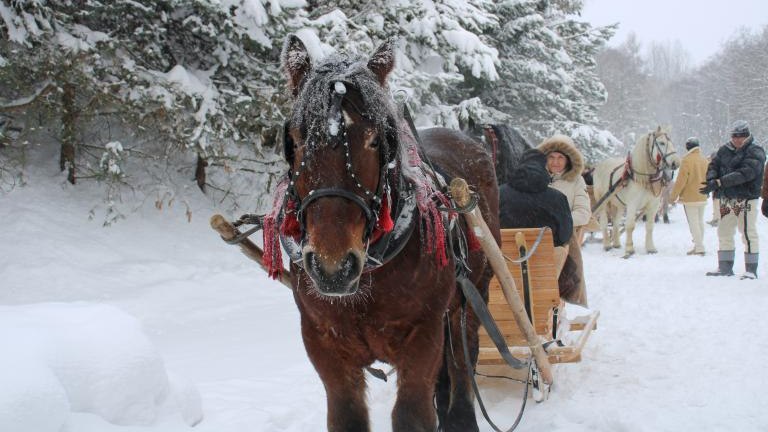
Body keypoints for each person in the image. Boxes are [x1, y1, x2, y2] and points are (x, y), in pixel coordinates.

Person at [498, 148, 580, 301]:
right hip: (546, 270)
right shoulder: (557, 198)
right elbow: (565, 235)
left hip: (504, 270)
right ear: (544, 168)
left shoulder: (499, 194)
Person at [700, 120, 766, 279]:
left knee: (747, 232)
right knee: (724, 231)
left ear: (747, 135)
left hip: (746, 199)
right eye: (735, 136)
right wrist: (711, 179)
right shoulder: (724, 150)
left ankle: (751, 269)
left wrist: (720, 182)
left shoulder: (755, 151)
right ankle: (725, 266)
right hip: (727, 199)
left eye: (741, 136)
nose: (737, 139)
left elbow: (746, 173)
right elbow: (713, 166)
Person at [538, 135, 591, 306]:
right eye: (551, 157)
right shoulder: (535, 179)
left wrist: (559, 222)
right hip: (536, 234)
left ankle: (573, 300)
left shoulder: (576, 181)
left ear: (568, 160)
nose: (555, 162)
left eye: (560, 157)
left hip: (564, 235)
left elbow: (583, 213)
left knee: (571, 263)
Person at [669, 137, 709, 255]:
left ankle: (699, 247)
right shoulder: (703, 159)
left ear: (687, 146)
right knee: (700, 221)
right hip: (702, 195)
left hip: (690, 197)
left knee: (693, 223)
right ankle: (698, 245)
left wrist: (673, 196)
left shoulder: (686, 160)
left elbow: (681, 181)